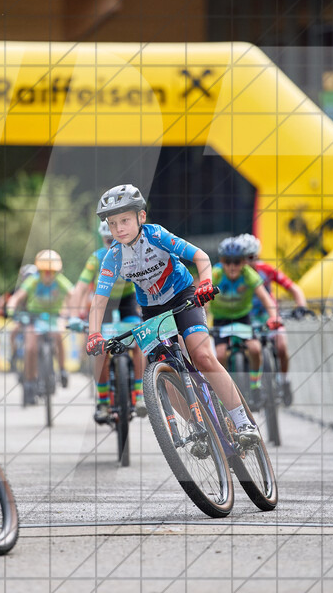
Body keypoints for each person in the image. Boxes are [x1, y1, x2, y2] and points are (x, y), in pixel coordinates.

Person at [85, 184, 261, 447]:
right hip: (153, 310)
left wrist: (205, 283)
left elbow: (200, 257)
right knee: (165, 375)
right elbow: (99, 300)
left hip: (183, 294)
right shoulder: (112, 257)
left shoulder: (156, 235)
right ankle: (199, 428)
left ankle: (243, 422)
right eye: (112, 223)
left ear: (141, 217)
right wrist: (94, 334)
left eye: (124, 220)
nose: (119, 228)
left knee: (201, 355)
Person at [67, 220, 146, 423]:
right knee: (100, 348)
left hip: (127, 301)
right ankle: (102, 400)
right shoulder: (96, 259)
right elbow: (80, 289)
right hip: (104, 302)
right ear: (102, 239)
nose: (111, 243)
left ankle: (139, 396)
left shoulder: (133, 254)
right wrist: (74, 316)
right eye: (107, 239)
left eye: (114, 239)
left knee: (137, 341)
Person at [210, 237, 281, 411]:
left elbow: (266, 298)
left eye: (237, 261)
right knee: (220, 355)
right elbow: (203, 300)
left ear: (244, 262)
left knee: (255, 349)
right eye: (228, 261)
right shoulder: (216, 274)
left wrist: (273, 317)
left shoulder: (249, 275)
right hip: (221, 319)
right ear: (222, 261)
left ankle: (255, 386)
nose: (232, 266)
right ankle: (222, 394)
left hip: (243, 317)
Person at [237, 233, 309, 406]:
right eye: (243, 258)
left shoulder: (267, 270)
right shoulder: (234, 275)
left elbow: (293, 288)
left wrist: (301, 306)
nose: (248, 262)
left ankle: (284, 382)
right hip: (247, 318)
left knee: (282, 346)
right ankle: (248, 386)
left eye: (252, 257)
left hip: (269, 317)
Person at [5, 249, 73, 400]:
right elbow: (17, 297)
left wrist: (73, 312)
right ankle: (29, 382)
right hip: (33, 316)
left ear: (57, 271)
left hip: (53, 316)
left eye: (52, 271)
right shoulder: (33, 281)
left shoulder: (60, 281)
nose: (48, 274)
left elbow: (73, 295)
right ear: (39, 271)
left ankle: (62, 370)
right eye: (44, 271)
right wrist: (10, 307)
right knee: (30, 347)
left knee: (59, 336)